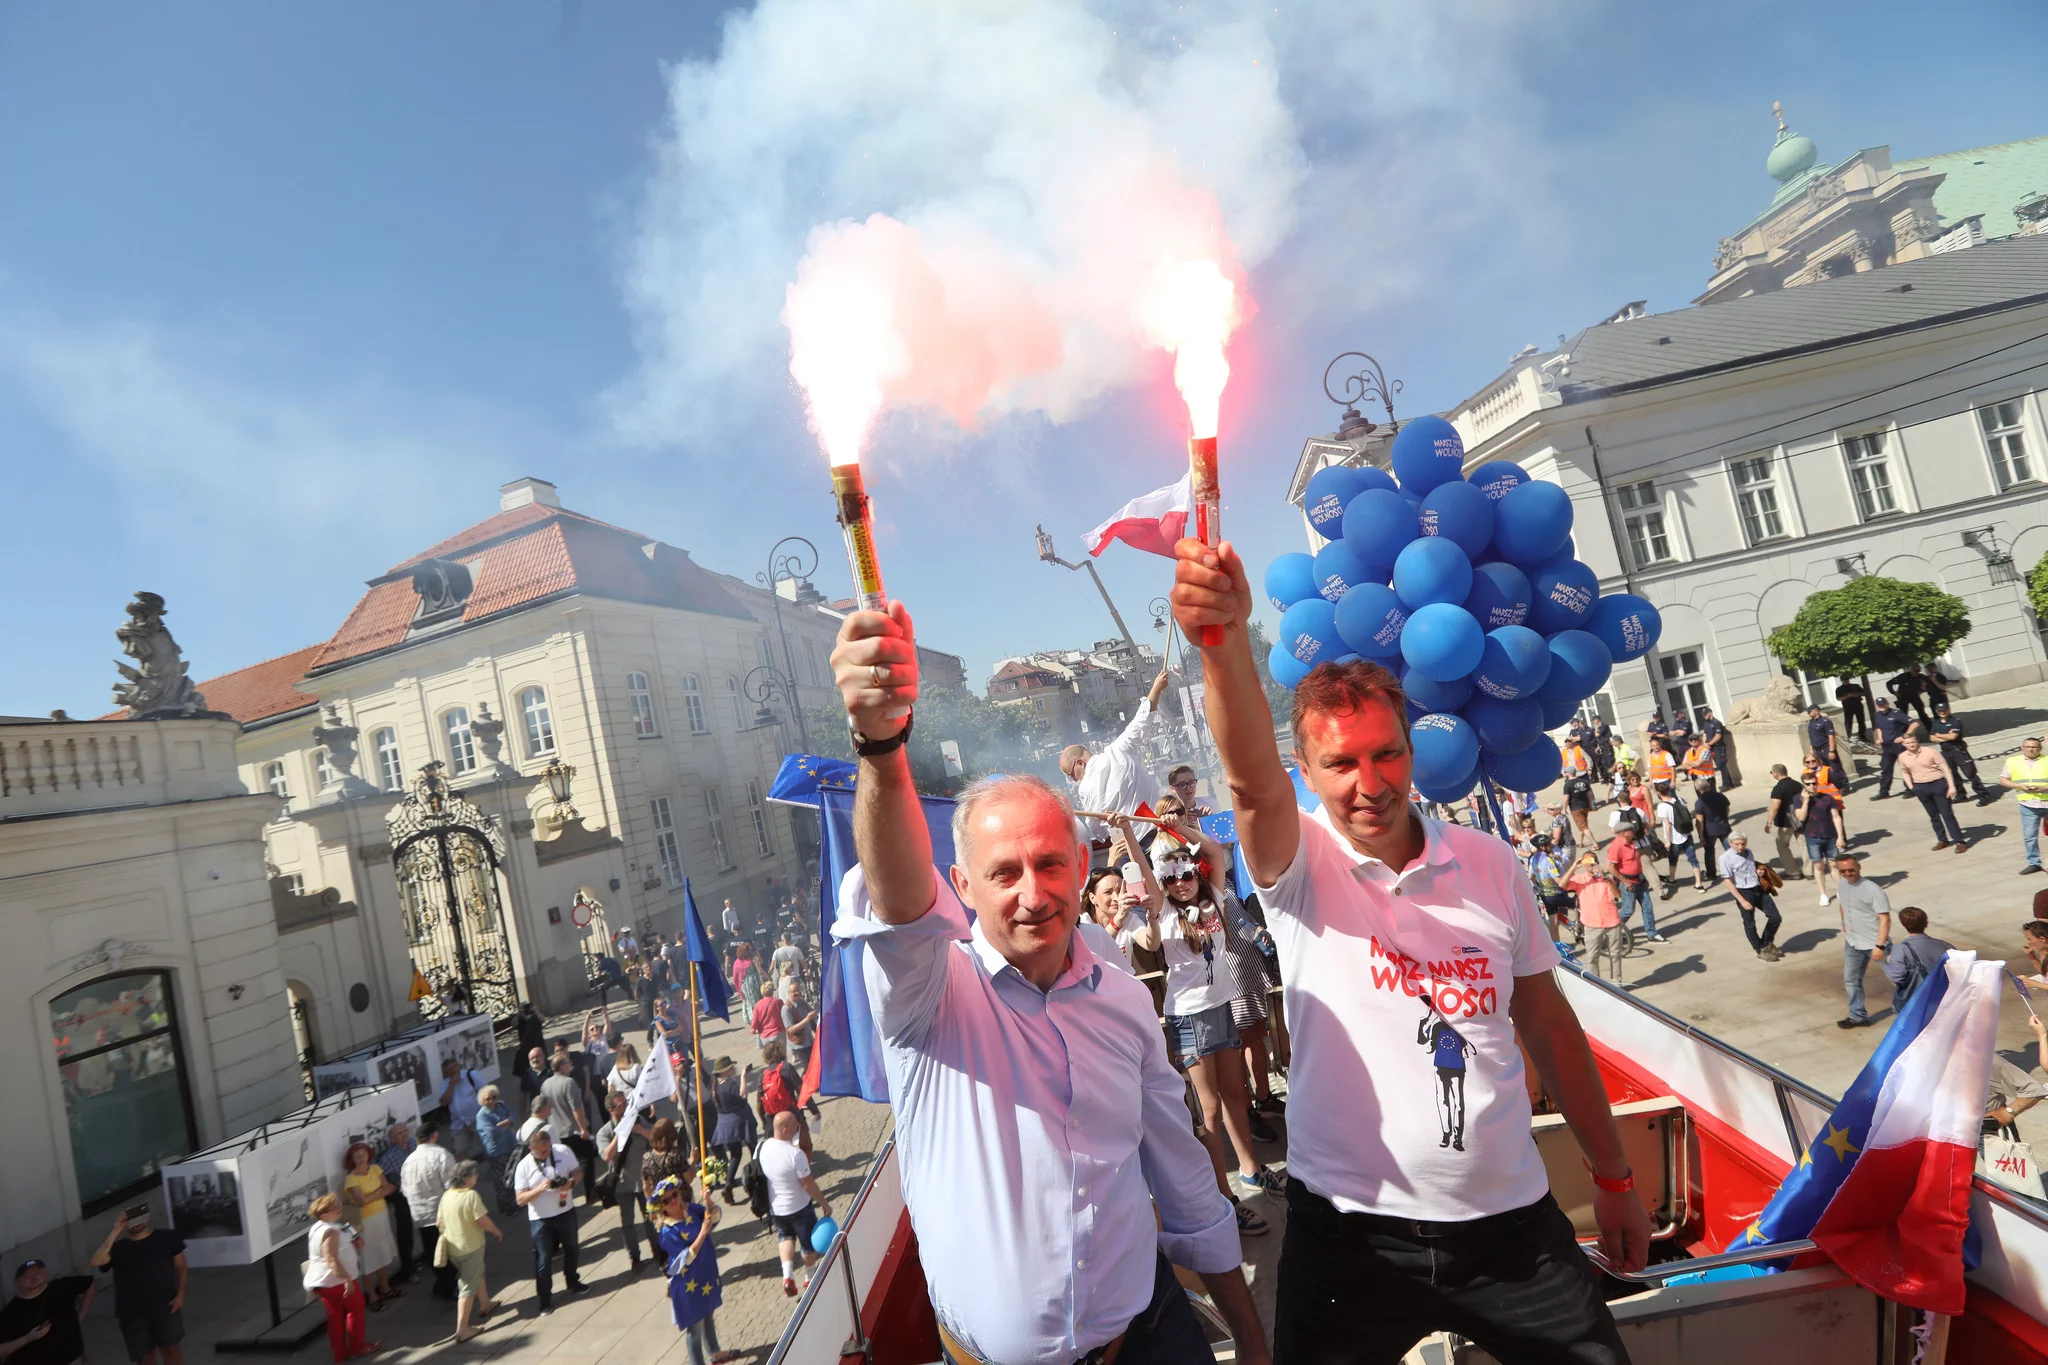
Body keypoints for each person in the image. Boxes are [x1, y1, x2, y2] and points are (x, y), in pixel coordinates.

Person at [1169, 535, 1649, 1363]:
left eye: (1386, 752)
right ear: (1309, 773)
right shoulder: (1300, 868)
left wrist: (1613, 1177)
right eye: (1341, 762)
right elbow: (1248, 783)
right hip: (1352, 1238)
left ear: (1413, 749)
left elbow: (1548, 1025)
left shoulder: (1492, 865)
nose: (1370, 781)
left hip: (1514, 1231)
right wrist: (1223, 640)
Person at [829, 602, 1270, 1365]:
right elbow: (899, 905)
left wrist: (1253, 1340)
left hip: (1154, 1334)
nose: (1033, 892)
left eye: (1051, 863)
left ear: (1081, 866)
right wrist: (880, 744)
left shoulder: (1127, 1000)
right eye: (1005, 872)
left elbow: (1184, 1177)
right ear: (961, 885)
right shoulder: (928, 1000)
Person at [1128, 839, 1283, 1225]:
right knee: (1209, 1109)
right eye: (1173, 877)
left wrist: (1176, 826)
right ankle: (1224, 1195)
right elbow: (1144, 873)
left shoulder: (1212, 901)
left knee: (1235, 1095)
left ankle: (1250, 1167)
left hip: (1221, 1009)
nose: (1181, 882)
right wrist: (1129, 832)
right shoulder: (1163, 912)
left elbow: (1213, 850)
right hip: (1189, 1019)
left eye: (1187, 874)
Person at [646, 1175, 737, 1365]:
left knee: (708, 1312)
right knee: (694, 1327)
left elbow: (714, 1218)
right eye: (666, 1200)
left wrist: (708, 1201)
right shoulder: (667, 1232)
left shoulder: (691, 1209)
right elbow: (684, 1258)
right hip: (687, 1283)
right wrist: (703, 1233)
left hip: (705, 1273)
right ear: (661, 1206)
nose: (672, 1201)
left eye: (674, 1195)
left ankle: (714, 1353)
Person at [92, 1208, 186, 1365]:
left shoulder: (166, 1237)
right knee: (145, 1356)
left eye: (140, 1219)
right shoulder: (118, 1248)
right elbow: (96, 1261)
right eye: (132, 1221)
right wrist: (116, 1230)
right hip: (132, 1313)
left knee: (170, 1348)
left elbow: (181, 1267)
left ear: (147, 1218)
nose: (137, 1224)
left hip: (165, 1305)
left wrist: (181, 1295)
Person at [757, 1111, 833, 1298]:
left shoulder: (762, 1147)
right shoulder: (795, 1155)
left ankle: (787, 1276)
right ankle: (809, 1279)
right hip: (799, 1207)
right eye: (794, 1125)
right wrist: (823, 1202)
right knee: (807, 1245)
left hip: (777, 1209)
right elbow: (807, 1184)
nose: (798, 1126)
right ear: (785, 1129)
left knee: (785, 1238)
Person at [513, 1128, 587, 1311]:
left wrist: (570, 1183)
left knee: (572, 1249)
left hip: (566, 1211)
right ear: (531, 1149)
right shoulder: (523, 1166)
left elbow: (578, 1172)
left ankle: (573, 1282)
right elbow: (520, 1199)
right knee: (544, 1261)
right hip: (541, 1220)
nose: (546, 1154)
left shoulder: (563, 1151)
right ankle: (545, 1300)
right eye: (541, 1152)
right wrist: (539, 1189)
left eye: (548, 1150)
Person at [302, 1195, 375, 1362]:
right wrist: (347, 1279)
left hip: (324, 1282)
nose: (339, 1209)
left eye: (338, 1205)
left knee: (335, 1316)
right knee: (355, 1310)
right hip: (335, 1281)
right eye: (334, 1208)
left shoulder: (320, 1227)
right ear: (323, 1215)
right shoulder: (330, 1232)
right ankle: (357, 1348)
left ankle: (340, 1354)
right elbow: (331, 1259)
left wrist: (353, 1242)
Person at [434, 1161, 499, 1343]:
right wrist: (496, 1231)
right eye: (474, 1175)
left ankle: (485, 1304)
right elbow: (482, 1221)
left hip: (454, 1249)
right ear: (466, 1178)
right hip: (471, 1247)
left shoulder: (446, 1195)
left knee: (477, 1273)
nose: (477, 1177)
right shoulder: (471, 1196)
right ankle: (462, 1329)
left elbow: (439, 1222)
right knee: (467, 1288)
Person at [399, 1122, 458, 1301]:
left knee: (433, 1251)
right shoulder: (440, 1154)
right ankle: (448, 1286)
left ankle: (441, 1284)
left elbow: (404, 1189)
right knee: (452, 1250)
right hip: (441, 1212)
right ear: (434, 1136)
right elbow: (452, 1185)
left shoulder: (407, 1161)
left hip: (421, 1215)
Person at [597, 1091, 654, 1273]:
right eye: (622, 1105)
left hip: (644, 1180)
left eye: (627, 1103)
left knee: (651, 1218)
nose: (628, 1108)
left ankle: (659, 1251)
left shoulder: (638, 1120)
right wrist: (620, 1133)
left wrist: (641, 1130)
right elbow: (607, 1155)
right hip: (623, 1184)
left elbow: (656, 1139)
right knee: (627, 1222)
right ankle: (634, 1257)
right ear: (611, 1110)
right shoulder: (604, 1132)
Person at [0, 1256, 95, 1365]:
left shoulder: (61, 1287)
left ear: (45, 1273)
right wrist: (28, 1338)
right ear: (18, 1282)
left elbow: (91, 1283)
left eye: (38, 1273)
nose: (34, 1278)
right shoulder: (12, 1311)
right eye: (27, 1276)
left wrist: (81, 1315)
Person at [1834, 855, 1893, 1029]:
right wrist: (1844, 924)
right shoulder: (1842, 884)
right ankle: (1857, 1016)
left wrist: (1880, 945)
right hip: (1853, 942)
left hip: (1874, 943)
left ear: (1859, 867)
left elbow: (1885, 919)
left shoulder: (1873, 890)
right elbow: (1843, 904)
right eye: (1843, 871)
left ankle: (1918, 1012)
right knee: (1851, 980)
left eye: (1851, 870)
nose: (1847, 873)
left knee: (1899, 979)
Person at [341, 1143, 400, 1307]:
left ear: (368, 1155)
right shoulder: (351, 1178)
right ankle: (372, 1296)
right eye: (357, 1156)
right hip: (364, 1222)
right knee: (368, 1257)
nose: (361, 1158)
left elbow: (389, 1188)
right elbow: (361, 1201)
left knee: (381, 1252)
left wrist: (371, 1196)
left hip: (381, 1216)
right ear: (351, 1159)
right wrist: (380, 1192)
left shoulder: (375, 1168)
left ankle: (385, 1288)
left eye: (363, 1154)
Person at [1896, 731, 1968, 854]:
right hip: (1920, 787)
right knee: (1933, 816)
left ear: (1917, 741)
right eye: (1908, 743)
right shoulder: (1902, 756)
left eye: (1913, 742)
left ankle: (1959, 841)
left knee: (1947, 814)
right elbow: (1905, 772)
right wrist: (1911, 787)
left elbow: (1946, 769)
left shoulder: (1931, 752)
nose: (1911, 745)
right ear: (1904, 744)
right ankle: (1942, 840)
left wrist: (1951, 786)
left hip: (1938, 784)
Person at [541, 1055, 600, 1202]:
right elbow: (577, 1109)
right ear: (562, 1066)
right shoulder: (569, 1083)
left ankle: (564, 1196)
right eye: (568, 1062)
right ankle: (590, 1193)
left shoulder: (545, 1085)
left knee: (563, 1165)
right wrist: (583, 1129)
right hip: (574, 1131)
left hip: (557, 1133)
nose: (571, 1064)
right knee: (586, 1160)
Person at [1719, 834, 1782, 962]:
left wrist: (1758, 872)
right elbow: (1728, 881)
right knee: (1750, 924)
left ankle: (1766, 943)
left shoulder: (1749, 852)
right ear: (1730, 843)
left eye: (1743, 844)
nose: (1741, 847)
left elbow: (1750, 867)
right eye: (1737, 844)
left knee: (1775, 917)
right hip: (1744, 892)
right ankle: (1760, 949)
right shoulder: (1725, 859)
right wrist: (1742, 900)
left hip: (1758, 888)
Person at [1564, 852, 1625, 980]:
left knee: (1615, 955)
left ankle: (1617, 982)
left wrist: (1606, 878)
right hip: (1591, 924)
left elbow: (1618, 895)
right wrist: (1573, 867)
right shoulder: (1580, 879)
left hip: (1611, 921)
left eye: (1592, 862)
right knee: (1592, 957)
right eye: (1587, 863)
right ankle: (1596, 983)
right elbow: (1562, 885)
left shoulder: (1606, 878)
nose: (1590, 865)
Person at [1604, 822, 1665, 943]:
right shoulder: (1616, 846)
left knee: (1647, 907)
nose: (1633, 831)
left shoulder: (1632, 842)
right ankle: (1611, 930)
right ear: (1623, 833)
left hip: (1640, 880)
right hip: (1628, 883)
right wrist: (1625, 881)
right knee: (1628, 910)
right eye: (1631, 830)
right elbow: (1610, 867)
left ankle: (1652, 934)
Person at [707, 1058, 756, 1204]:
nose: (733, 1069)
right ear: (726, 1071)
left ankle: (728, 1184)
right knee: (754, 1151)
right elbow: (743, 1096)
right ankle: (754, 1183)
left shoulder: (716, 1087)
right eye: (731, 1067)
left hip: (725, 1124)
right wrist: (743, 1077)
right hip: (741, 1121)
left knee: (735, 1154)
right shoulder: (730, 1085)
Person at [1882, 907, 1953, 1006]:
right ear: (1926, 924)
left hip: (1918, 1004)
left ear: (1903, 924)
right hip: (1945, 1000)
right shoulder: (1945, 946)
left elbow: (1897, 977)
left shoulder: (1900, 949)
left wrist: (1888, 962)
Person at [372, 1126, 415, 1285]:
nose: (404, 1135)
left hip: (420, 1190)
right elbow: (379, 1176)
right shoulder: (388, 1158)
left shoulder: (413, 1144)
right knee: (405, 1232)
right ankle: (408, 1269)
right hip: (402, 1195)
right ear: (392, 1139)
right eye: (399, 1133)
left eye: (405, 1131)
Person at [1928, 703, 1994, 803]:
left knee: (1970, 774)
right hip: (1946, 752)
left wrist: (1939, 735)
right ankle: (1961, 794)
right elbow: (1932, 738)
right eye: (1940, 711)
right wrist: (1945, 736)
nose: (1942, 712)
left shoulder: (1955, 721)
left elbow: (1953, 737)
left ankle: (1983, 795)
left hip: (1958, 750)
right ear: (1937, 711)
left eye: (1944, 710)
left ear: (1949, 710)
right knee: (1952, 774)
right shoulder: (1936, 722)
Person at [2003, 736, 2048, 875]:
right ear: (2022, 748)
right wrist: (2018, 786)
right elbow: (2003, 780)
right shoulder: (2012, 761)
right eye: (2028, 746)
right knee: (2029, 836)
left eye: (2034, 746)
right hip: (2028, 805)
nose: (2031, 749)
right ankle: (2034, 863)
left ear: (2040, 748)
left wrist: (2045, 787)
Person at [1797, 776, 1846, 904]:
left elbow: (1836, 817)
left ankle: (1841, 889)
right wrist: (1806, 801)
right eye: (1808, 784)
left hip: (1829, 836)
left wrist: (1840, 837)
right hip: (1813, 837)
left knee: (1833, 864)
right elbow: (1801, 817)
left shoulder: (1827, 798)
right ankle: (1823, 894)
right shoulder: (1798, 799)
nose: (1812, 786)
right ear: (1804, 785)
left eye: (1814, 783)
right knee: (1818, 866)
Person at [1655, 784, 1704, 898]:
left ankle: (1672, 879)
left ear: (1658, 793)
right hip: (1686, 834)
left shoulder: (1662, 806)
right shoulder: (1679, 800)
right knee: (1693, 859)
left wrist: (1668, 841)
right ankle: (1699, 883)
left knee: (1673, 859)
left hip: (1675, 838)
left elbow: (1667, 825)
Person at [437, 1060, 483, 1159]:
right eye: (448, 1070)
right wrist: (452, 1084)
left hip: (476, 1117)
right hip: (458, 1122)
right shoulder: (445, 1084)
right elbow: (443, 1102)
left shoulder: (471, 1075)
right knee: (459, 1151)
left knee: (485, 1145)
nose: (452, 1071)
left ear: (459, 1066)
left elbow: (486, 1091)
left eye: (454, 1067)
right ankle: (468, 1172)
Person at [1692, 778, 1732, 884]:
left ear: (1697, 789)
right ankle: (1737, 868)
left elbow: (1699, 821)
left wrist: (1700, 836)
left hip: (1709, 831)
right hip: (1724, 827)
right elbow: (1727, 809)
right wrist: (1725, 819)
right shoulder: (1720, 796)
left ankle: (1711, 874)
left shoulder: (1700, 802)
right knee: (1731, 850)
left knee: (1709, 852)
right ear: (1709, 786)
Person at [1805, 703, 1839, 768]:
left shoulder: (1825, 722)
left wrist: (1831, 751)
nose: (1808, 713)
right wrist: (1811, 750)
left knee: (1835, 768)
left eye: (1810, 711)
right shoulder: (1811, 723)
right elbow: (1812, 737)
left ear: (1817, 711)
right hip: (1817, 750)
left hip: (1826, 748)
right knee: (1823, 769)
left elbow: (1831, 736)